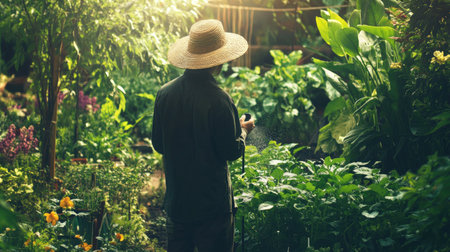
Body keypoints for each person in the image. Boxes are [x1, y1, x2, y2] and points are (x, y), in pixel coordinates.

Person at [151, 19, 255, 252]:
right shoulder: (220, 100)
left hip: (178, 203)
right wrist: (244, 131)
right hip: (213, 208)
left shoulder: (165, 94)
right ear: (218, 60)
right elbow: (232, 151)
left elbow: (159, 144)